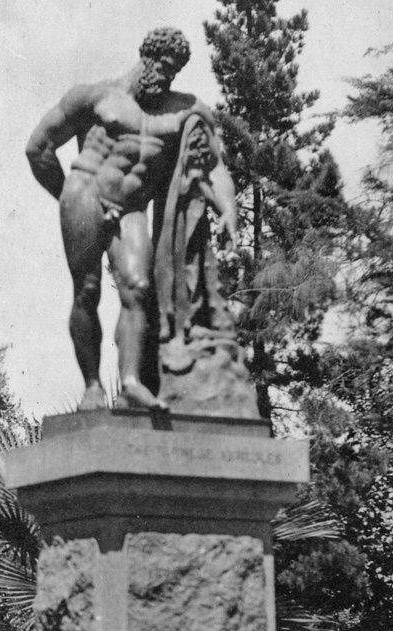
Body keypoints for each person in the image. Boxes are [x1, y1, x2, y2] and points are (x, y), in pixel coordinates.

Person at [26, 27, 237, 410]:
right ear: (146, 57)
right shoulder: (94, 96)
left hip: (131, 208)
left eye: (173, 71)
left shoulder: (183, 110)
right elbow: (38, 148)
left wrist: (230, 211)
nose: (166, 76)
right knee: (88, 290)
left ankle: (131, 382)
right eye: (162, 66)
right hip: (86, 193)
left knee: (138, 288)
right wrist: (70, 200)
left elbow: (215, 164)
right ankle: (92, 387)